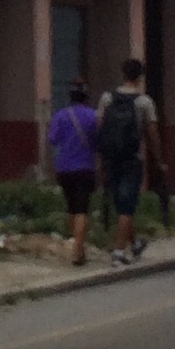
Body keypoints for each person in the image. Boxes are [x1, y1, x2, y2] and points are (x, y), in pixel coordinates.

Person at [95, 58, 165, 267]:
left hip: (111, 158)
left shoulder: (107, 98)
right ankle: (118, 252)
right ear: (140, 77)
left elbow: (99, 128)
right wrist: (159, 160)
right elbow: (152, 134)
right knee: (127, 206)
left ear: (123, 74)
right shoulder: (144, 102)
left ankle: (134, 244)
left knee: (121, 204)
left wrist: (100, 157)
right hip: (132, 159)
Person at [47, 79, 101, 266]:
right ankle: (78, 250)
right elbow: (99, 141)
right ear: (86, 97)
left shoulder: (60, 115)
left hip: (64, 168)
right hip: (85, 168)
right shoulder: (94, 116)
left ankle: (79, 247)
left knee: (71, 208)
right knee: (82, 209)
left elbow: (53, 139)